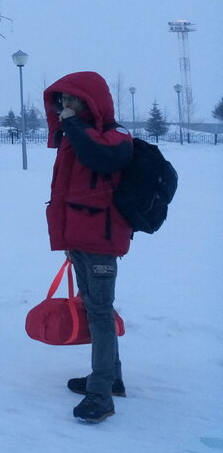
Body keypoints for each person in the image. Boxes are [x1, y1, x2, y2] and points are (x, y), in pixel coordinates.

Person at [43, 71, 134, 424]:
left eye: (73, 100)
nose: (66, 107)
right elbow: (67, 192)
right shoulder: (74, 138)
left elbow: (100, 157)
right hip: (81, 238)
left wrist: (74, 128)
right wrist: (66, 240)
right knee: (97, 307)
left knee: (99, 311)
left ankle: (101, 394)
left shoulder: (115, 137)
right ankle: (112, 378)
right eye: (62, 101)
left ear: (92, 102)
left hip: (102, 240)